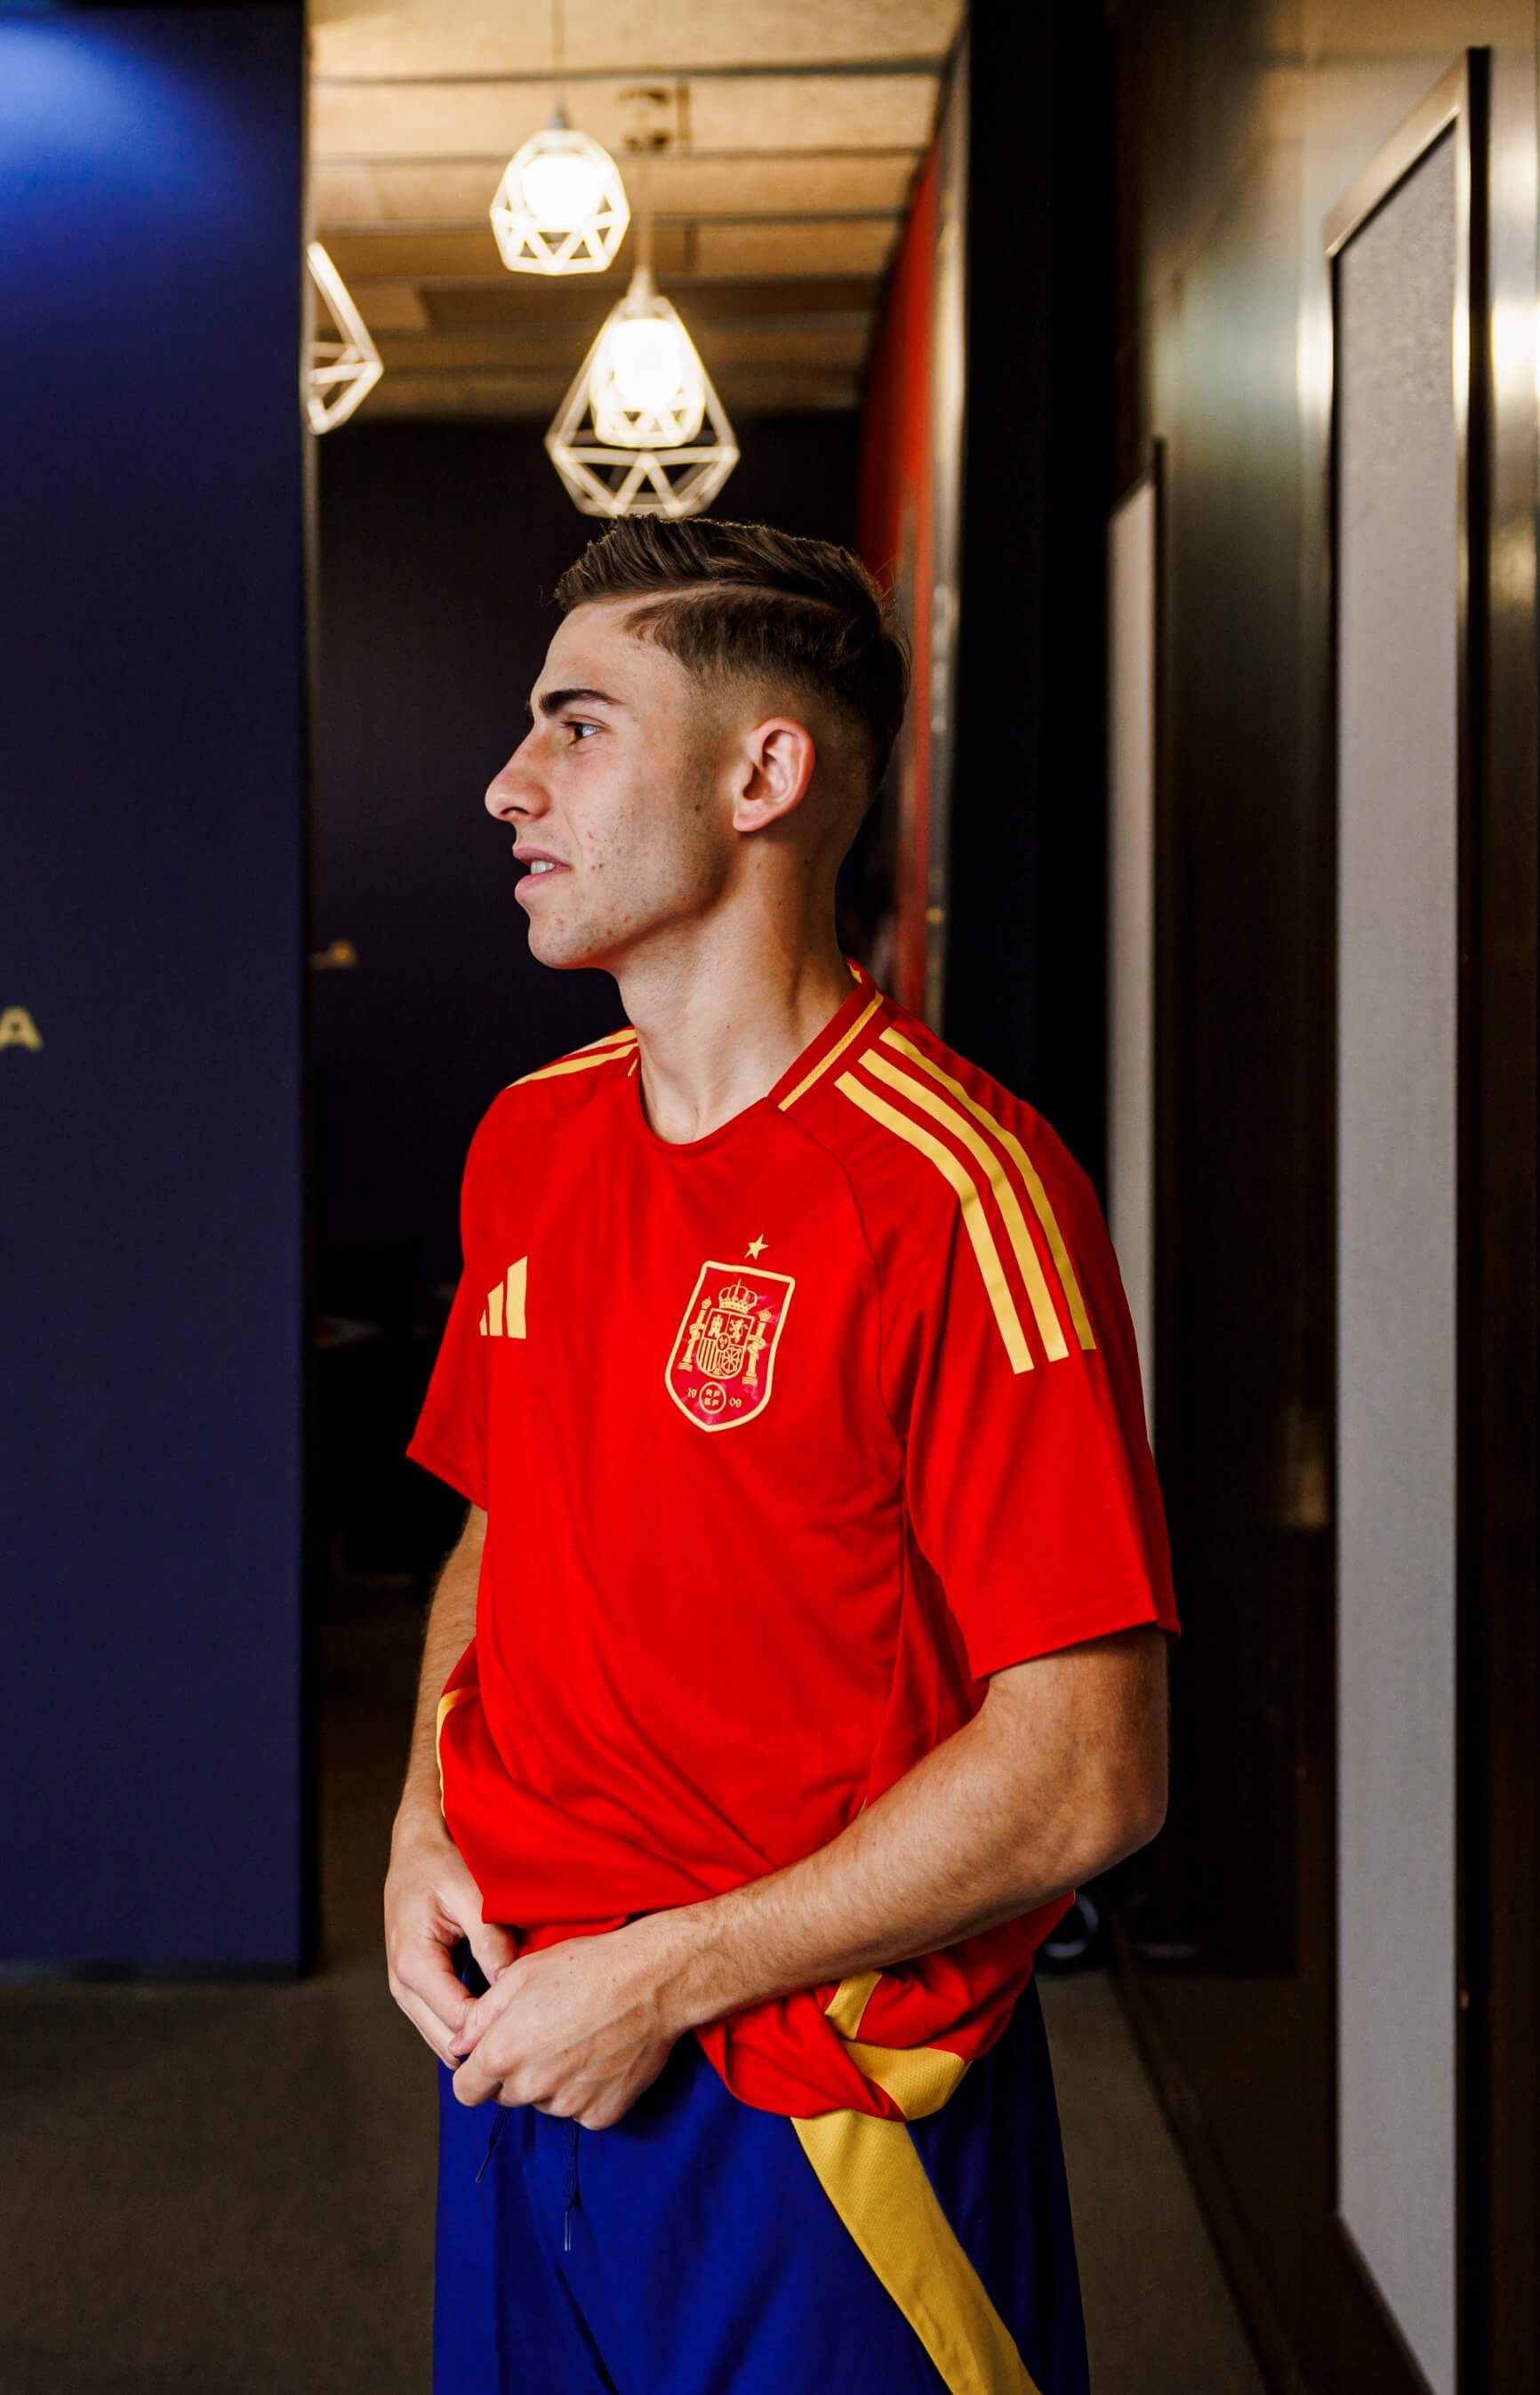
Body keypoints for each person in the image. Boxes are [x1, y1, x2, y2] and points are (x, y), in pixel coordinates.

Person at [386, 519, 1175, 2395]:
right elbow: (505, 1523)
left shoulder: (955, 1190)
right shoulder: (529, 1141)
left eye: (578, 725)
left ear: (762, 775)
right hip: (533, 2039)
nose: (508, 785)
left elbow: (1088, 1770)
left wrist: (663, 1973)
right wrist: (428, 1814)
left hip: (806, 2095)